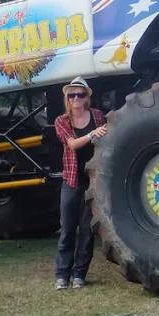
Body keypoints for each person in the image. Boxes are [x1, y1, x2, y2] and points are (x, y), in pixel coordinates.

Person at [52, 76, 107, 289]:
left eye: (80, 94)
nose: (76, 98)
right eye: (72, 94)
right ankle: (61, 275)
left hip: (92, 183)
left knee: (87, 230)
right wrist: (93, 134)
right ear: (67, 98)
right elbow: (73, 144)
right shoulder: (62, 121)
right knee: (67, 228)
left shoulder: (98, 116)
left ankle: (79, 275)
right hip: (71, 181)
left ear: (87, 98)